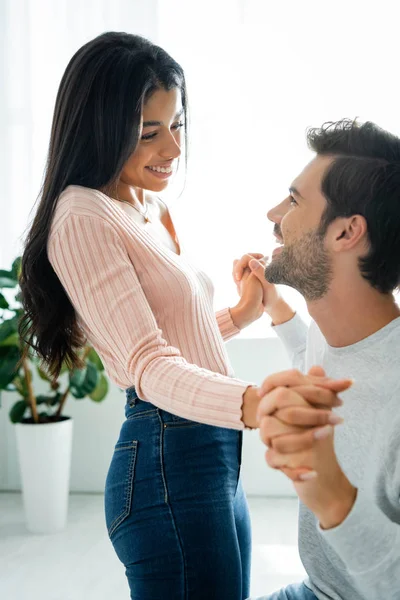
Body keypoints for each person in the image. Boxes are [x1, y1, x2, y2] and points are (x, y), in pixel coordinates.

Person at [18, 32, 346, 599]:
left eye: (177, 125)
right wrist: (255, 402)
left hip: (210, 453)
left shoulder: (149, 205)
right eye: (148, 132)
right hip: (166, 458)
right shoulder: (82, 215)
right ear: (99, 127)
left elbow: (166, 335)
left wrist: (241, 314)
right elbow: (145, 362)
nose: (172, 148)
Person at [235, 119, 400, 600]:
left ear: (347, 232)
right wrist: (276, 309)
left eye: (293, 200)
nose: (273, 213)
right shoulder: (340, 333)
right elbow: (323, 359)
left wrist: (331, 493)